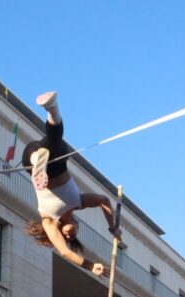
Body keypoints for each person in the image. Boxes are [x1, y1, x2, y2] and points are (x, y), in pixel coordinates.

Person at [21, 91, 121, 278]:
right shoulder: (79, 202)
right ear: (76, 222)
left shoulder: (49, 220)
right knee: (56, 142)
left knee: (39, 153)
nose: (68, 236)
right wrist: (112, 228)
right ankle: (52, 109)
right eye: (73, 236)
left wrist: (90, 266)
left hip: (32, 158)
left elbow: (65, 252)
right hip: (56, 162)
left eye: (67, 237)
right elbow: (104, 201)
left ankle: (36, 163)